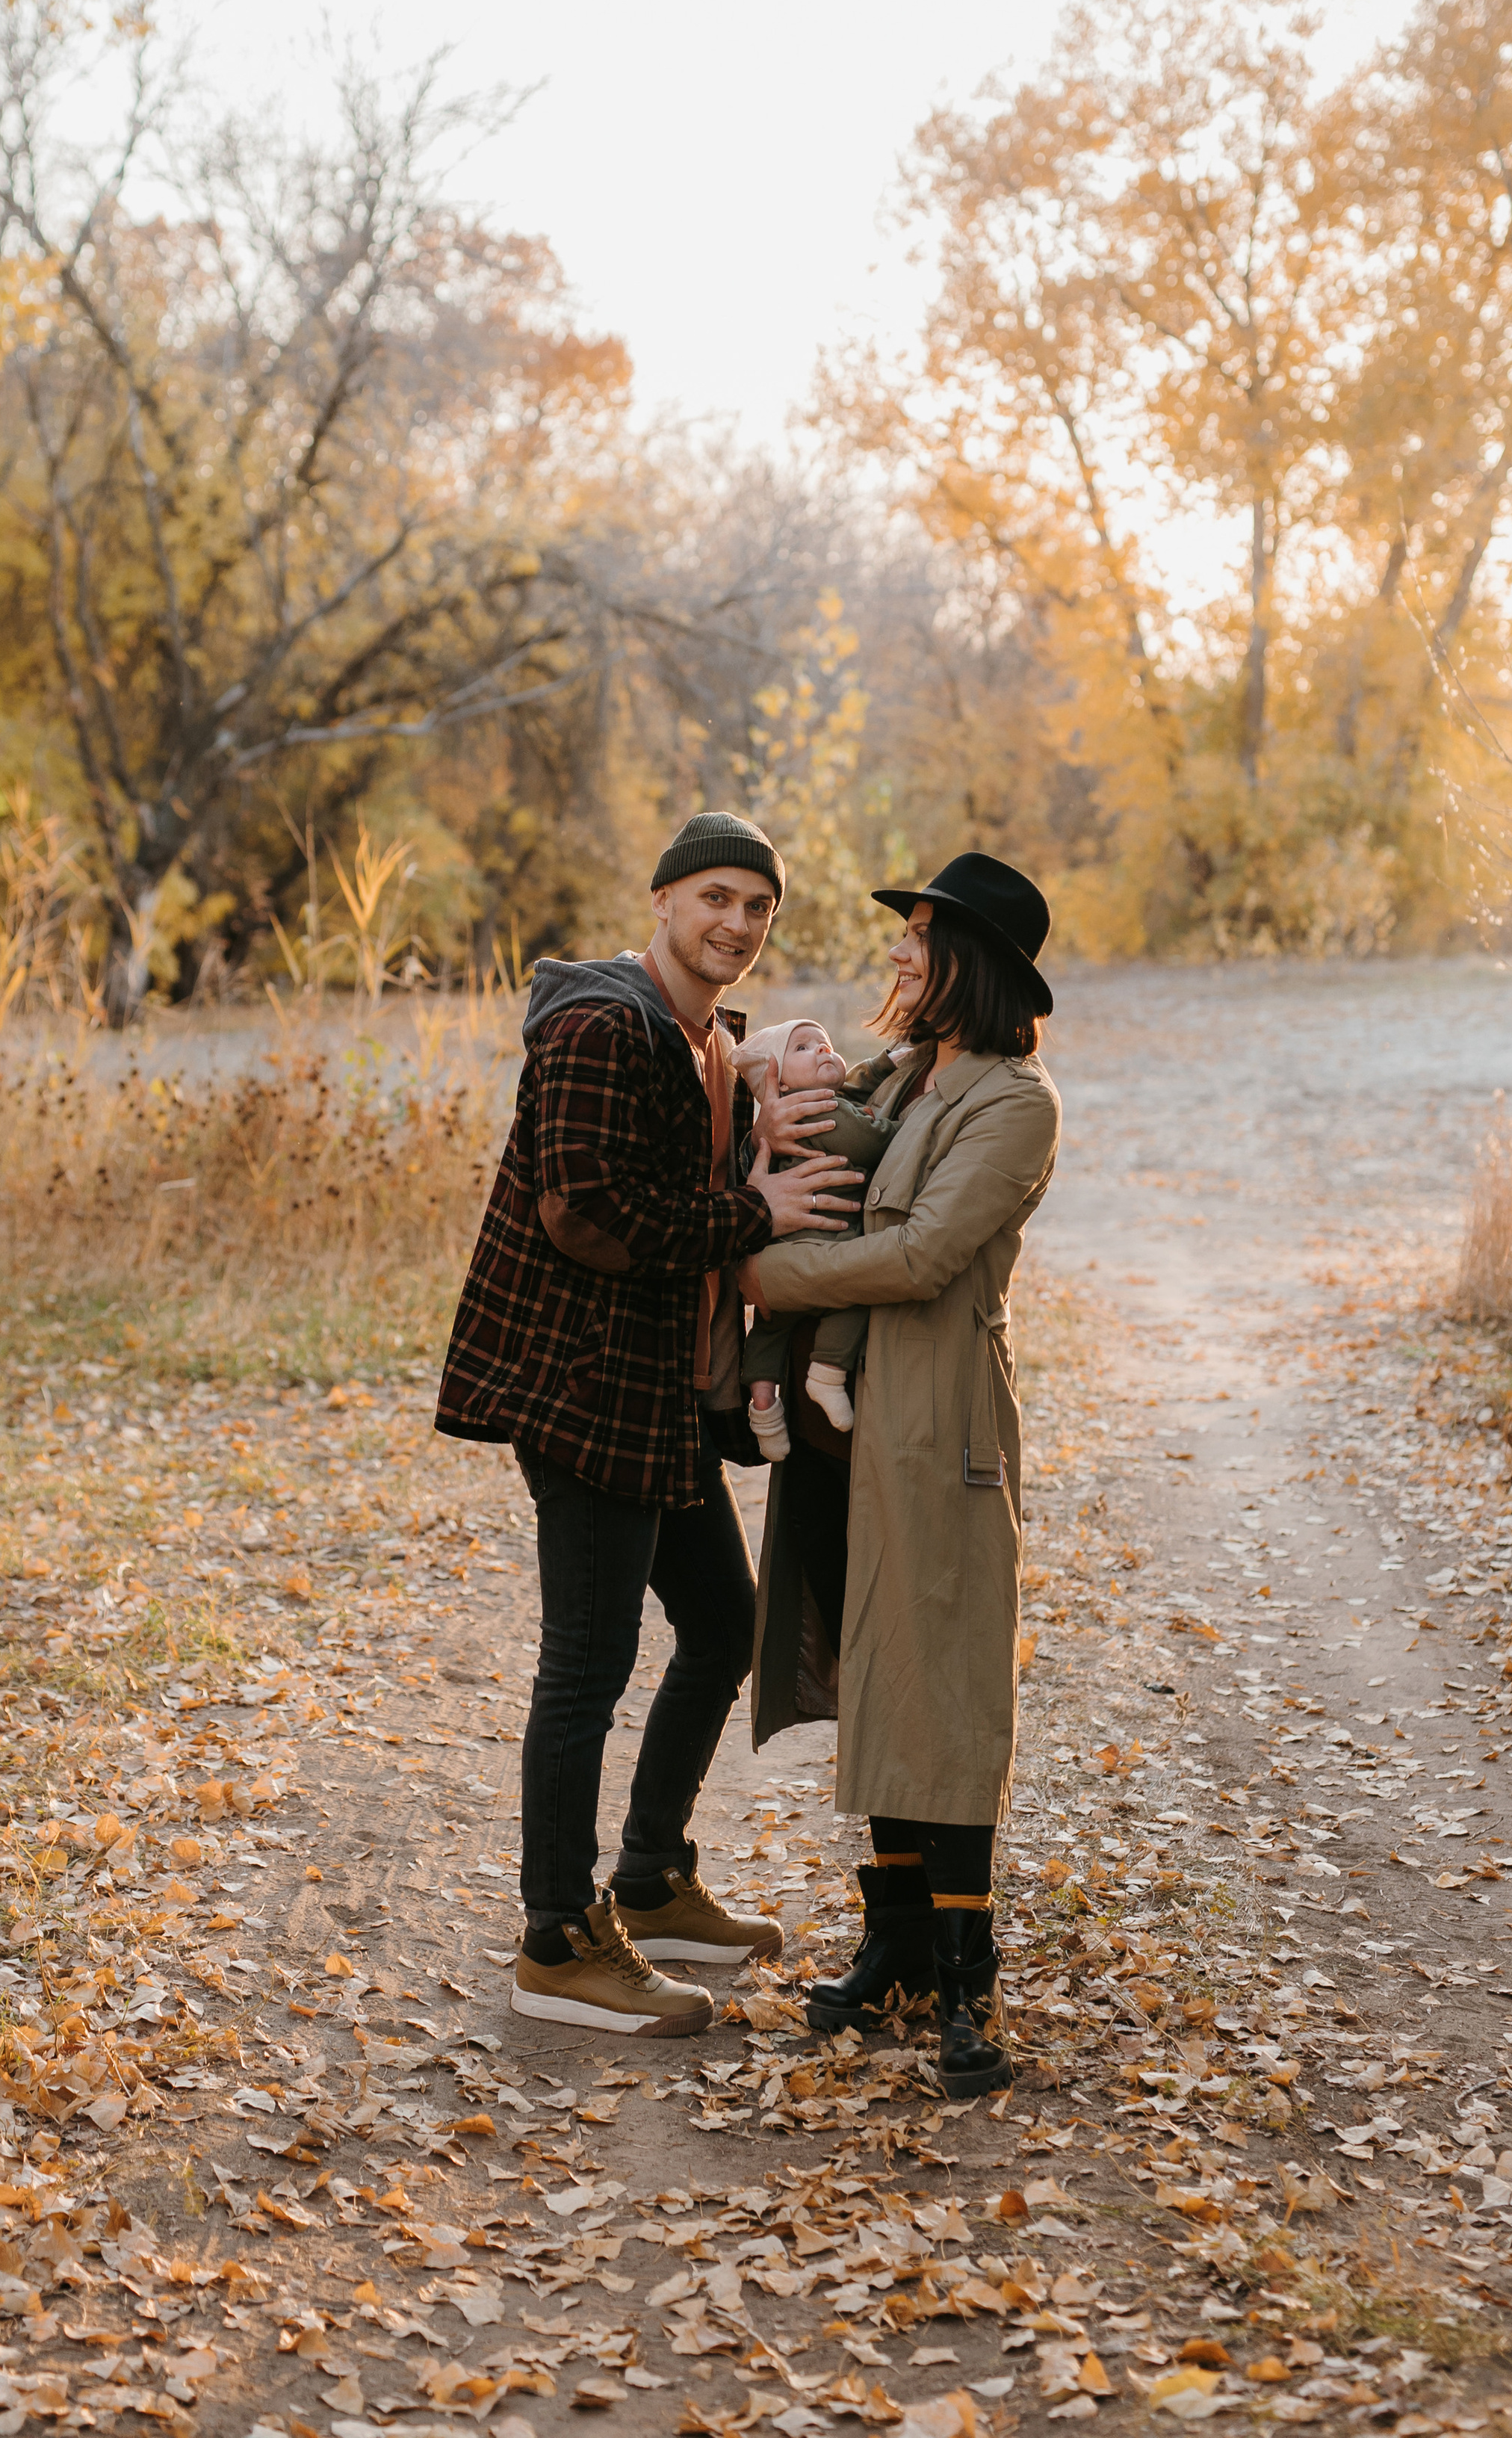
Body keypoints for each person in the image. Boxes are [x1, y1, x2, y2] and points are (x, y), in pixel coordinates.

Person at [436, 811, 859, 2038]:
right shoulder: (596, 1026)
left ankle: (654, 1881)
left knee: (726, 1625)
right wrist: (754, 1211)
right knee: (587, 1663)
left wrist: (752, 1152)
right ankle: (558, 1940)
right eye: (715, 898)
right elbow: (587, 1211)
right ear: (664, 901)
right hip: (582, 1387)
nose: (735, 923)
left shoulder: (700, 1044)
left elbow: (683, 1181)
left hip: (658, 1395)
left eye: (758, 908)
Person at [740, 851, 1062, 2097]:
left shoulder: (1012, 1102)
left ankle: (965, 1968)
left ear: (967, 960)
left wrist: (763, 1277)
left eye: (917, 936)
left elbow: (926, 1256)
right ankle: (896, 1943)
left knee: (947, 1677)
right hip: (844, 1426)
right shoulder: (899, 1072)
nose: (896, 952)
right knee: (872, 1661)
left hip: (935, 1425)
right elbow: (801, 1131)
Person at [727, 1016, 903, 1459]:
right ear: (777, 1084)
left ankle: (764, 1403)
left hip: (780, 1252)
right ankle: (826, 1371)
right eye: (803, 1048)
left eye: (826, 1042)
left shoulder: (795, 1111)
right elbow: (869, 1140)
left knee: (770, 1329)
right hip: (825, 1247)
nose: (824, 1050)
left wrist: (880, 1066)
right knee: (854, 1298)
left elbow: (853, 1088)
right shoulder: (821, 1111)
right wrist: (902, 1125)